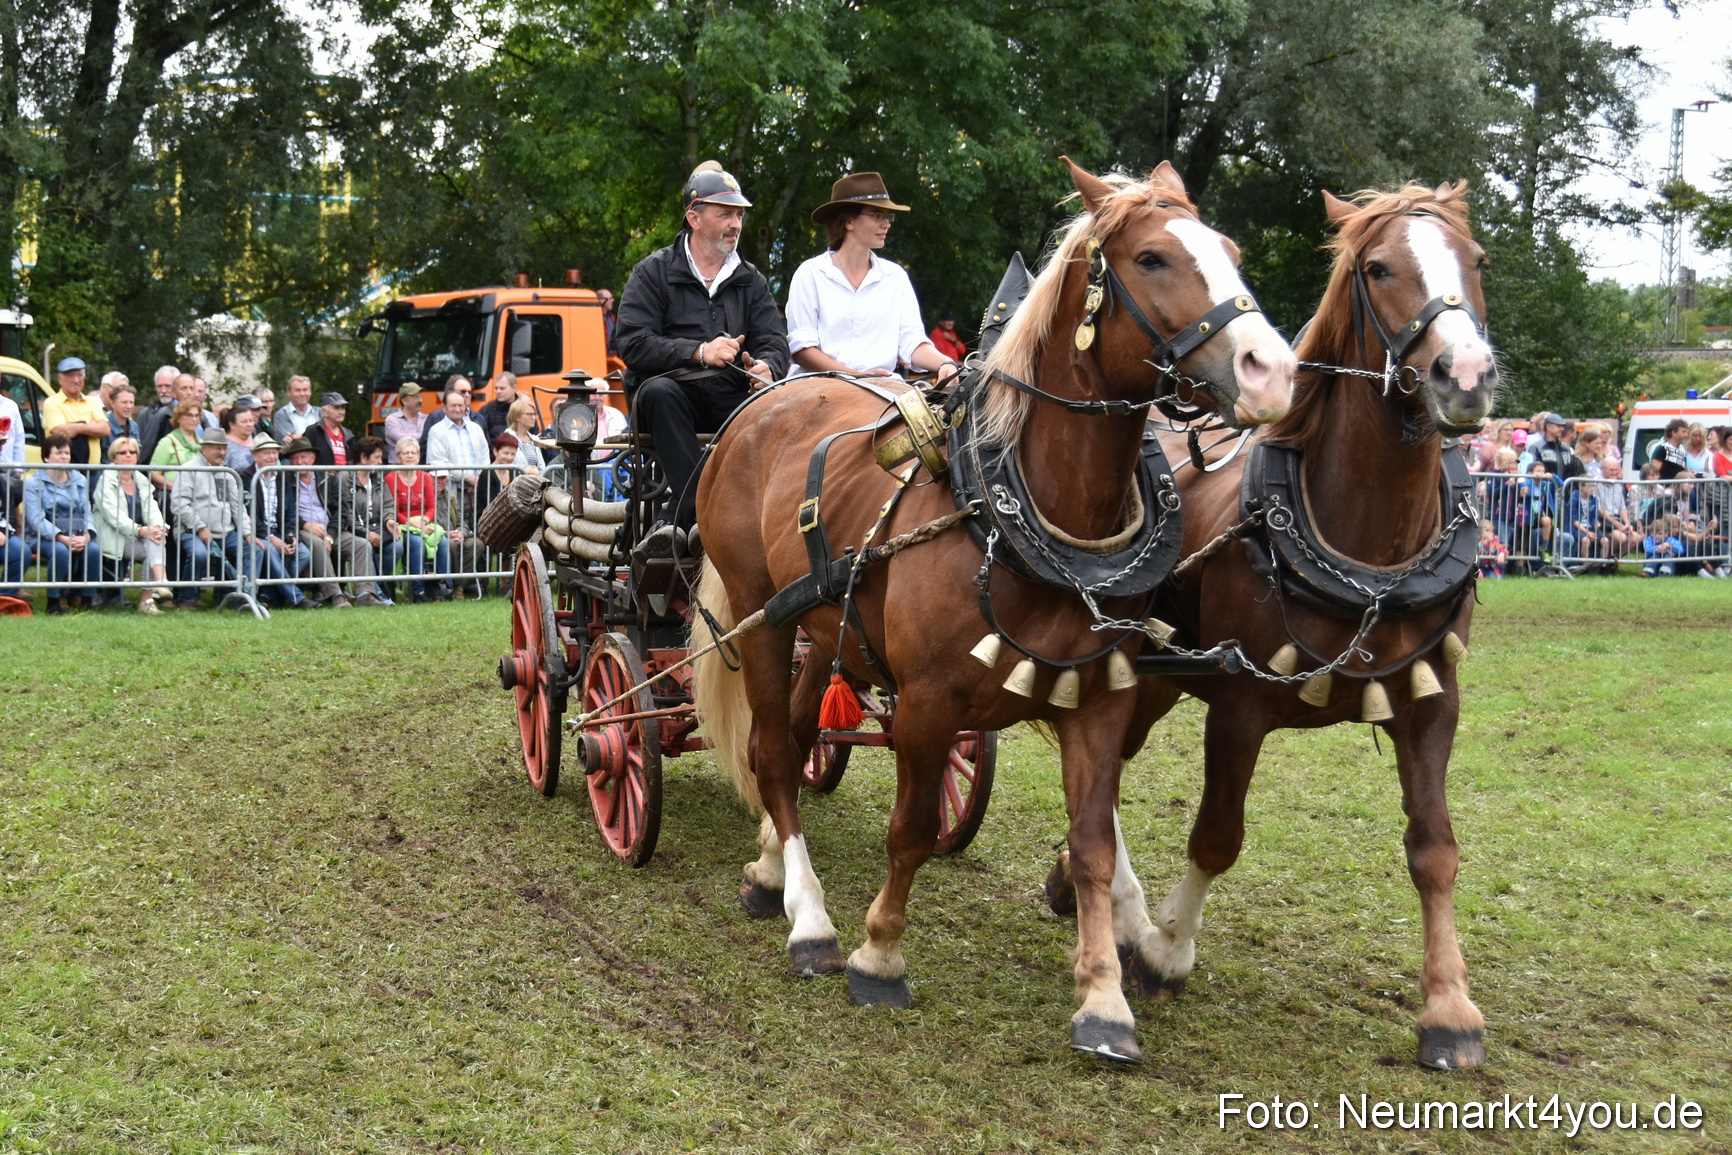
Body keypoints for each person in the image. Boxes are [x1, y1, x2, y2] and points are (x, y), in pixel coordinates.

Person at [615, 160, 790, 556]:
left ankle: (683, 514)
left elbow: (775, 341)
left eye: (739, 215)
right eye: (725, 214)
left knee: (783, 406)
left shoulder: (751, 280)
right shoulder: (652, 272)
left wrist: (767, 366)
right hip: (670, 400)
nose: (736, 224)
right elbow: (632, 343)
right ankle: (700, 512)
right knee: (658, 391)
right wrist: (699, 352)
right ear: (694, 218)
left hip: (732, 398)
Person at [786, 172, 957, 385]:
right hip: (818, 388)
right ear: (848, 221)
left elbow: (912, 342)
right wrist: (855, 377)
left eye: (888, 216)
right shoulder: (810, 274)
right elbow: (802, 349)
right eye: (877, 215)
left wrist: (945, 363)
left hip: (882, 390)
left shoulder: (895, 277)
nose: (886, 224)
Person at [24, 434, 105, 613]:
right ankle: (54, 600)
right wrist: (61, 538)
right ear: (46, 458)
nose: (64, 457)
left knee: (93, 549)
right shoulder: (33, 483)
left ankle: (88, 598)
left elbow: (86, 511)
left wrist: (87, 535)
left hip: (77, 532)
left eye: (67, 453)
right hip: (43, 535)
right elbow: (36, 519)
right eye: (59, 453)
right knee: (60, 550)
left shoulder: (79, 479)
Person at [91, 436, 173, 613]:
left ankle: (154, 591)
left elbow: (152, 509)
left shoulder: (141, 480)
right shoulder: (106, 480)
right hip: (113, 535)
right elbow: (114, 516)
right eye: (123, 452)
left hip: (137, 534)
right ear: (114, 457)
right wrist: (140, 530)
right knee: (153, 546)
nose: (128, 455)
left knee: (156, 540)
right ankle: (154, 591)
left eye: (132, 452)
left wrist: (159, 527)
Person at [172, 427, 252, 604]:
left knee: (250, 549)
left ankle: (235, 596)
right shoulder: (188, 469)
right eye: (217, 448)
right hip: (190, 530)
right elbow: (179, 504)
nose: (222, 452)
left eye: (224, 448)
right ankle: (187, 599)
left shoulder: (228, 473)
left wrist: (247, 533)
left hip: (225, 531)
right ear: (204, 448)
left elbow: (238, 506)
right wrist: (200, 527)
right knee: (199, 554)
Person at [322, 436, 394, 607]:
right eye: (377, 457)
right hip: (352, 528)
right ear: (363, 457)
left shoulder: (378, 477)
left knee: (396, 547)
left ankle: (374, 590)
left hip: (378, 526)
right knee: (364, 545)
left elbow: (388, 504)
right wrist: (364, 532)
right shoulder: (345, 478)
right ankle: (370, 593)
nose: (380, 462)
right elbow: (345, 512)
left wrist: (389, 520)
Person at [240, 435, 310, 609]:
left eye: (275, 452)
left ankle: (269, 594)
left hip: (280, 531)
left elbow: (291, 511)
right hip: (258, 532)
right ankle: (296, 598)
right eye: (267, 453)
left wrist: (291, 536)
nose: (272, 457)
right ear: (255, 455)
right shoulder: (245, 477)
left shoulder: (283, 477)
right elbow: (249, 515)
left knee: (303, 554)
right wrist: (271, 538)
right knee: (270, 551)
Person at [283, 437, 349, 608]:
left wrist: (331, 535)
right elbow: (284, 511)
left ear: (313, 458)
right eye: (295, 458)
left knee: (361, 545)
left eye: (303, 457)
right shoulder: (286, 481)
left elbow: (341, 510)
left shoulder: (328, 478)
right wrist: (305, 525)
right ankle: (335, 594)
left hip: (330, 530)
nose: (299, 462)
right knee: (318, 544)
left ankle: (367, 593)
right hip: (302, 529)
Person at [387, 437, 452, 602]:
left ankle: (444, 588)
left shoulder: (425, 476)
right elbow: (393, 510)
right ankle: (419, 590)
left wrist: (423, 522)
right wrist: (412, 524)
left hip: (424, 522)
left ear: (419, 456)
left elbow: (432, 507)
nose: (410, 456)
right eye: (405, 453)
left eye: (413, 453)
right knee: (417, 543)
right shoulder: (391, 478)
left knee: (444, 542)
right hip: (403, 524)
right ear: (398, 457)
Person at [43, 356, 109, 468]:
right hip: (64, 470)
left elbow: (106, 430)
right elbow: (60, 433)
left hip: (93, 470)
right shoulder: (51, 403)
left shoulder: (93, 401)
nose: (76, 380)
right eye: (71, 376)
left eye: (80, 375)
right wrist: (90, 426)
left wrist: (76, 427)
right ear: (60, 379)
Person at [426, 384, 490, 498]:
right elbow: (439, 462)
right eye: (453, 405)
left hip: (478, 490)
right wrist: (468, 478)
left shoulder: (476, 428)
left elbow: (485, 457)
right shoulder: (436, 431)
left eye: (460, 405)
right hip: (451, 492)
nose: (457, 409)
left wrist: (480, 479)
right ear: (444, 407)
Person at [417, 375, 473, 456]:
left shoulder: (478, 418)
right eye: (463, 391)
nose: (467, 395)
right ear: (450, 393)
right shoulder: (435, 417)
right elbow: (425, 448)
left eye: (469, 392)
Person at [1518, 412, 1580, 481]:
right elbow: (1533, 472)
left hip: (1564, 487)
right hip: (1545, 487)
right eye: (1558, 426)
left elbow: (1572, 472)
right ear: (1548, 427)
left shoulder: (1566, 449)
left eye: (1562, 426)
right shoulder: (1536, 448)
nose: (1562, 429)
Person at [307, 392, 355, 467]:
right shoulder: (313, 431)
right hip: (323, 474)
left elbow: (353, 458)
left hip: (346, 473)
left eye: (343, 408)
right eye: (336, 408)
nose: (341, 412)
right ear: (324, 411)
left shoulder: (349, 434)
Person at [502, 396, 545, 473]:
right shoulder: (507, 437)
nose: (533, 417)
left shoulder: (534, 439)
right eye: (529, 414)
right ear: (517, 416)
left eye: (534, 414)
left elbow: (541, 467)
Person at [383, 383, 424, 462]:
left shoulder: (427, 419)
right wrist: (424, 437)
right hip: (398, 467)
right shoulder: (392, 420)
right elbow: (403, 441)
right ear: (404, 401)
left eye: (421, 396)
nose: (420, 400)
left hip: (421, 467)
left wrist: (407, 434)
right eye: (416, 397)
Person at [221, 396, 262, 472]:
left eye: (251, 421)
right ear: (232, 425)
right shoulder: (225, 446)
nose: (249, 425)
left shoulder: (257, 442)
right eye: (244, 422)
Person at [273, 375, 320, 441]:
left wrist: (300, 436)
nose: (302, 394)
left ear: (310, 392)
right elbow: (293, 443)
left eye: (305, 390)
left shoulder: (320, 412)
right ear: (289, 392)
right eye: (298, 390)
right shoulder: (282, 415)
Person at [478, 371, 518, 445]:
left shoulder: (524, 409)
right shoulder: (487, 409)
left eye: (502, 388)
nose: (498, 391)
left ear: (514, 388)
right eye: (496, 388)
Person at [105, 383, 141, 458]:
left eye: (131, 402)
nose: (129, 406)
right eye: (124, 402)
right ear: (112, 404)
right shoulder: (104, 425)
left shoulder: (134, 426)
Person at [597, 287, 618, 353]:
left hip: (613, 356)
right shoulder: (595, 319)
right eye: (610, 298)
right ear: (601, 300)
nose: (613, 300)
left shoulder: (612, 318)